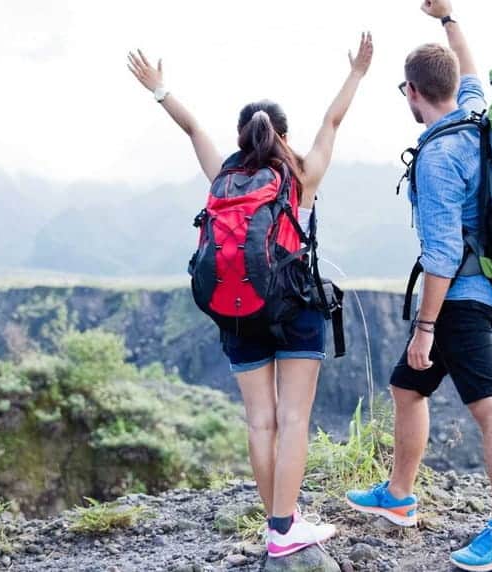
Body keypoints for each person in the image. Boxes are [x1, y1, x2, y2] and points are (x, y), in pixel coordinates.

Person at [127, 32, 373, 557]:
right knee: (293, 420)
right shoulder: (300, 174)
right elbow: (332, 123)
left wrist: (159, 89)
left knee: (261, 420)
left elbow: (193, 126)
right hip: (295, 307)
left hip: (236, 311)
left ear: (241, 138)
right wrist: (356, 73)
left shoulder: (225, 175)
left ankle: (278, 522)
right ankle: (285, 529)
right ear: (282, 134)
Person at [344, 2, 492, 571]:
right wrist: (448, 19)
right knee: (408, 390)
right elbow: (471, 70)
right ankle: (399, 497)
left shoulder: (437, 155)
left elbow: (443, 255)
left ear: (411, 92)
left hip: (459, 301)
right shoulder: (476, 111)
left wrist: (425, 328)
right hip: (480, 286)